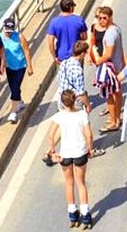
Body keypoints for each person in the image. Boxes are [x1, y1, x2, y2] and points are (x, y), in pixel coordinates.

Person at [46, 89, 95, 229]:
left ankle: (73, 214)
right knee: (81, 183)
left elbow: (51, 136)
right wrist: (90, 149)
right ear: (75, 100)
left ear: (62, 102)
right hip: (80, 152)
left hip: (65, 154)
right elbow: (89, 135)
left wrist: (53, 152)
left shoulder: (59, 116)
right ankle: (85, 215)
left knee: (69, 183)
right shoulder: (82, 114)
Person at [88, 6, 125, 134]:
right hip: (117, 65)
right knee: (117, 92)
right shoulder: (117, 29)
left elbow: (108, 53)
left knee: (109, 94)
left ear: (110, 17)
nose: (101, 20)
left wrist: (98, 60)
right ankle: (117, 118)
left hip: (110, 67)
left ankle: (114, 121)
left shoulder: (109, 33)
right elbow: (120, 49)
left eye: (104, 18)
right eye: (99, 18)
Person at [0, 18, 33, 124]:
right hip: (9, 67)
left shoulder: (19, 37)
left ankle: (13, 112)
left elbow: (26, 51)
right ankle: (19, 102)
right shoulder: (0, 38)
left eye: (10, 30)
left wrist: (29, 66)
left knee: (15, 87)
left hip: (20, 66)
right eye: (7, 30)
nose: (8, 32)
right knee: (13, 86)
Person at [47, 0, 87, 64]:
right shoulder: (79, 20)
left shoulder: (54, 22)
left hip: (61, 57)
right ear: (71, 8)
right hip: (76, 55)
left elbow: (50, 42)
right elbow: (85, 37)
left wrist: (54, 57)